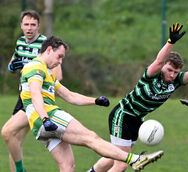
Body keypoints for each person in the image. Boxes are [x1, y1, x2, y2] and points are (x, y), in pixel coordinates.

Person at [88, 23, 188, 172]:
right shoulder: (152, 76)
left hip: (137, 120)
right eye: (169, 70)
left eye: (176, 72)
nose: (172, 75)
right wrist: (170, 42)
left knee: (114, 156)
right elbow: (158, 61)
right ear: (163, 66)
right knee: (122, 163)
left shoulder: (176, 81)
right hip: (123, 115)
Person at [19, 35, 164, 172]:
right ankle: (135, 159)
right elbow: (35, 94)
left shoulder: (47, 72)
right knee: (91, 138)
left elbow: (69, 95)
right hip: (47, 116)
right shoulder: (35, 67)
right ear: (49, 50)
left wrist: (95, 101)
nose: (60, 62)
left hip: (39, 125)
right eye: (59, 57)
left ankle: (134, 159)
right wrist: (45, 119)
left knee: (68, 167)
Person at [1, 10, 62, 172]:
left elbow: (58, 76)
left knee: (8, 133)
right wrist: (12, 67)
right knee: (13, 142)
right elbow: (13, 65)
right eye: (26, 24)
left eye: (33, 25)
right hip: (24, 96)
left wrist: (39, 77)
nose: (29, 28)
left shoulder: (47, 45)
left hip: (38, 98)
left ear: (38, 26)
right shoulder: (20, 42)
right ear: (21, 25)